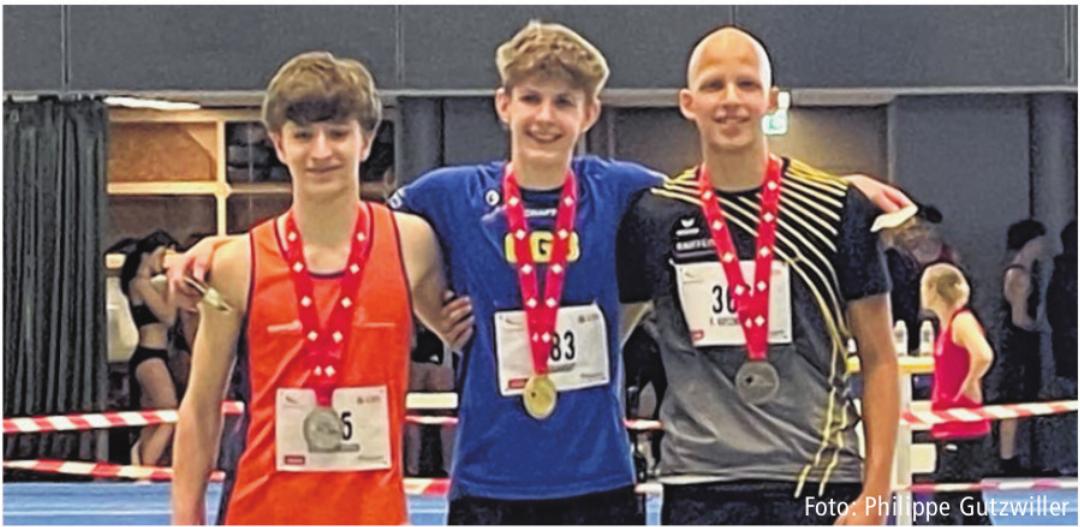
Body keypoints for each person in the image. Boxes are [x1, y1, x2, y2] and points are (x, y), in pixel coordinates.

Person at [170, 51, 469, 525]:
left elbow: (465, 332)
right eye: (303, 135)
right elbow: (201, 408)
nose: (321, 152)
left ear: (366, 140)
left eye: (338, 133)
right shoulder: (238, 266)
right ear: (278, 143)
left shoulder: (410, 244)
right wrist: (186, 520)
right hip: (261, 513)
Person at [616, 26, 899, 525]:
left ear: (771, 99)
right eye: (713, 85)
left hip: (819, 479)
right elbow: (606, 338)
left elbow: (879, 360)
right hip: (697, 487)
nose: (731, 100)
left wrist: (876, 496)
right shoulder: (654, 216)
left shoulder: (839, 207)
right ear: (687, 103)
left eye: (746, 84)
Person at [920, 263, 994, 525]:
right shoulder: (946, 324)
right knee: (970, 504)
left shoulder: (961, 321)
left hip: (963, 428)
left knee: (947, 503)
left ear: (933, 289)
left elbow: (984, 355)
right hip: (950, 425)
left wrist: (970, 383)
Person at [114, 230, 181, 466]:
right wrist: (172, 285)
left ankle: (141, 461)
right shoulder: (140, 283)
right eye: (162, 256)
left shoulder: (149, 284)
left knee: (154, 417)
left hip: (156, 355)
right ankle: (147, 468)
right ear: (149, 254)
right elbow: (168, 316)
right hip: (149, 356)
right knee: (170, 414)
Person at [993, 219, 1047, 476]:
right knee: (1013, 399)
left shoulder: (1017, 271)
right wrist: (1040, 326)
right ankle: (1008, 457)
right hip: (1018, 344)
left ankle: (1014, 454)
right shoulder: (1020, 275)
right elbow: (1019, 317)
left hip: (1016, 342)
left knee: (1018, 399)